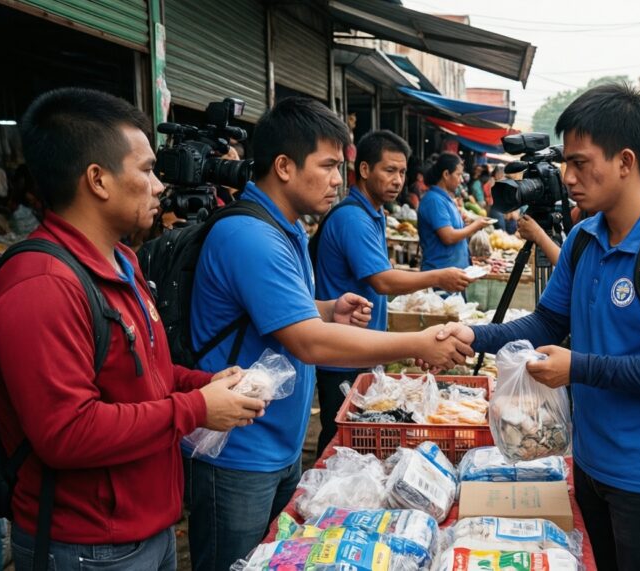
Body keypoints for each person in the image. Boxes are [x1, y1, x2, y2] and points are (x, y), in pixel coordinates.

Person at [437, 83, 640, 571]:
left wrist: (579, 369)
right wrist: (475, 336)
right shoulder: (583, 240)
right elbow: (549, 320)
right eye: (565, 163)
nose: (567, 177)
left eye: (580, 163)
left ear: (625, 161)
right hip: (589, 464)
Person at [0, 88, 263, 570]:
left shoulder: (120, 261)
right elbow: (66, 432)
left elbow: (141, 375)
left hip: (145, 528)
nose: (160, 186)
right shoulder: (42, 287)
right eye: (147, 169)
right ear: (98, 180)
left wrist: (202, 384)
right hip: (87, 547)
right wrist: (195, 409)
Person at [186, 97, 473, 570]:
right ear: (283, 166)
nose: (339, 180)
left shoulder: (287, 228)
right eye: (329, 166)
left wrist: (326, 307)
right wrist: (419, 343)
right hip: (238, 452)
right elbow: (310, 342)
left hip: (277, 439)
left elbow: (279, 313)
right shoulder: (251, 236)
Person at [313, 130, 474, 455]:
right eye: (389, 170)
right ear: (364, 169)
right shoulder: (353, 218)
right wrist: (438, 277)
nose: (397, 180)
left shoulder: (372, 213)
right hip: (343, 350)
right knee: (340, 438)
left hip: (361, 345)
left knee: (352, 434)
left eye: (402, 172)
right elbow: (382, 281)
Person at [417, 153, 490, 272]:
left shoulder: (446, 199)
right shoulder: (434, 200)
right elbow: (448, 237)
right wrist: (475, 226)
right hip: (440, 275)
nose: (461, 180)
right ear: (446, 174)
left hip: (453, 275)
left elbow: (452, 230)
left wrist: (467, 224)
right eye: (458, 175)